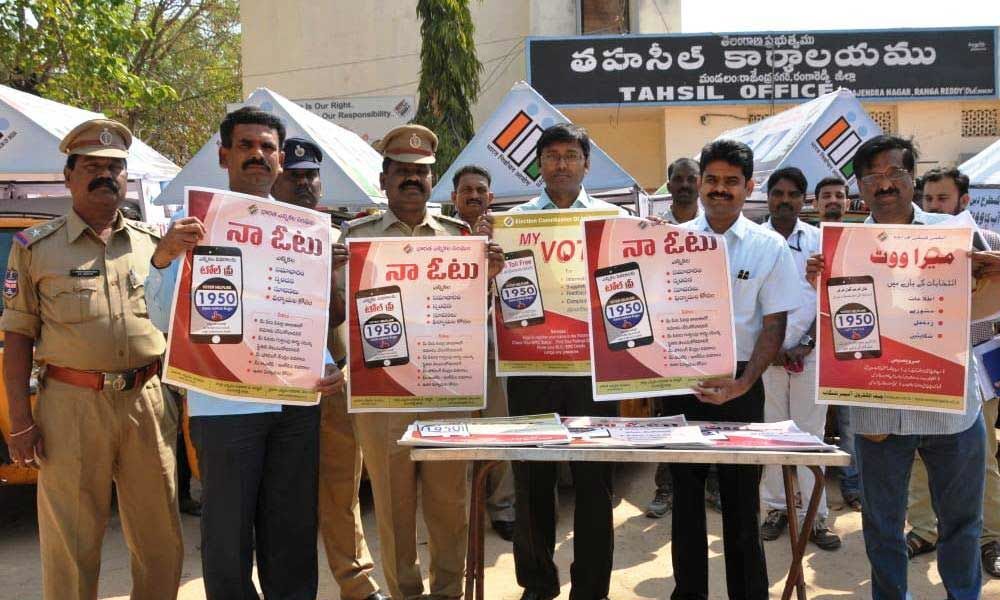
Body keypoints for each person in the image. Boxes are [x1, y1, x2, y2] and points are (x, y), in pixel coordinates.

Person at [146, 107, 344, 600]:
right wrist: (165, 257)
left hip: (295, 403)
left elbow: (299, 310)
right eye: (246, 146)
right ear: (224, 154)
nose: (257, 155)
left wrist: (325, 364)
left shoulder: (304, 227)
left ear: (279, 159)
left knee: (293, 530)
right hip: (225, 402)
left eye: (266, 147)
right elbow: (158, 316)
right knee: (227, 537)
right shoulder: (191, 223)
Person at [805, 135, 1000, 600]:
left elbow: (986, 311)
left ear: (913, 177)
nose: (885, 184)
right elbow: (842, 329)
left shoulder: (958, 234)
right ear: (859, 186)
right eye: (872, 176)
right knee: (883, 528)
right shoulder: (841, 246)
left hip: (952, 406)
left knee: (962, 524)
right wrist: (820, 285)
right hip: (879, 413)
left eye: (895, 173)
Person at [1, 118, 183, 599]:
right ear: (68, 176)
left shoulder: (154, 245)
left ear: (126, 177)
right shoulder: (35, 247)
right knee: (72, 539)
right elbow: (18, 336)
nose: (105, 174)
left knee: (160, 534)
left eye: (115, 167)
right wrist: (20, 421)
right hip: (72, 405)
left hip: (147, 400)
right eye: (92, 166)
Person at [332, 124, 504, 600]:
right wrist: (332, 272)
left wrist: (487, 274)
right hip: (382, 395)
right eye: (402, 171)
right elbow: (336, 314)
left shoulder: (458, 238)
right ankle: (406, 593)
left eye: (421, 173)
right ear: (384, 179)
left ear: (432, 182)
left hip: (446, 390)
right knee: (393, 509)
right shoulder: (354, 240)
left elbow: (476, 313)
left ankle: (449, 593)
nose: (412, 179)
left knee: (450, 506)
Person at [666, 139, 800, 600]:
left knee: (741, 503)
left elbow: (774, 323)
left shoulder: (769, 247)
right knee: (685, 503)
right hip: (680, 381)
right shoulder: (671, 242)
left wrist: (744, 383)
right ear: (700, 183)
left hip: (743, 383)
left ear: (749, 187)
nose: (719, 190)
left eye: (730, 182)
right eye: (712, 180)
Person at [503, 123, 626, 600]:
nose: (560, 164)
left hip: (594, 371)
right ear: (539, 164)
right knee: (532, 478)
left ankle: (591, 587)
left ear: (586, 164)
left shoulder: (611, 219)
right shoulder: (511, 224)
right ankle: (537, 583)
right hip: (531, 366)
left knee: (595, 481)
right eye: (551, 155)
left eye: (570, 155)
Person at [272, 137, 389, 600]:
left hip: (332, 384)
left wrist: (330, 270)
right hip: (275, 386)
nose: (303, 183)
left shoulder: (342, 237)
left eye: (310, 176)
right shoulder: (257, 231)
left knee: (340, 490)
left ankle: (356, 583)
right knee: (282, 497)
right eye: (294, 175)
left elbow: (345, 314)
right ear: (277, 179)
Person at [905, 166, 1000, 577]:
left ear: (964, 201)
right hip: (926, 367)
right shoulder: (910, 249)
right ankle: (924, 530)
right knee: (919, 455)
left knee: (983, 458)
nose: (933, 207)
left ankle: (990, 537)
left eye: (942, 199)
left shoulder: (991, 245)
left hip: (979, 366)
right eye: (927, 200)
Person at [757, 167, 841, 550]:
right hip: (765, 359)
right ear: (768, 196)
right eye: (778, 193)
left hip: (811, 353)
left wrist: (806, 341)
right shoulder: (754, 239)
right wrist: (770, 351)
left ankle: (816, 516)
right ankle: (775, 508)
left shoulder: (821, 240)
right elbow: (744, 303)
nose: (785, 200)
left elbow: (833, 297)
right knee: (772, 433)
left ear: (804, 200)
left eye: (793, 194)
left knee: (811, 436)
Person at [646, 157, 721, 519]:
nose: (686, 184)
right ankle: (666, 488)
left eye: (693, 178)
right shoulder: (654, 228)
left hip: (707, 333)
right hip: (666, 339)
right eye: (680, 179)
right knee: (670, 416)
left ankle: (713, 488)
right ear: (669, 184)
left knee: (711, 412)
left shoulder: (715, 225)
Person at [451, 164, 517, 542]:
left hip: (498, 352)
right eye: (466, 191)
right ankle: (459, 510)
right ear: (455, 198)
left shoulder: (512, 232)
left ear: (491, 197)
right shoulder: (444, 236)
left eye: (480, 190)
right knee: (458, 434)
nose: (474, 196)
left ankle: (503, 507)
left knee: (500, 431)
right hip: (454, 354)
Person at [813, 176, 862, 511]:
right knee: (809, 424)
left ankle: (853, 486)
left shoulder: (860, 239)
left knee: (848, 423)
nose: (833, 200)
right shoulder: (807, 241)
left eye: (839, 195)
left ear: (848, 202)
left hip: (848, 345)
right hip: (808, 347)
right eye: (826, 195)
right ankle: (803, 494)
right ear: (815, 202)